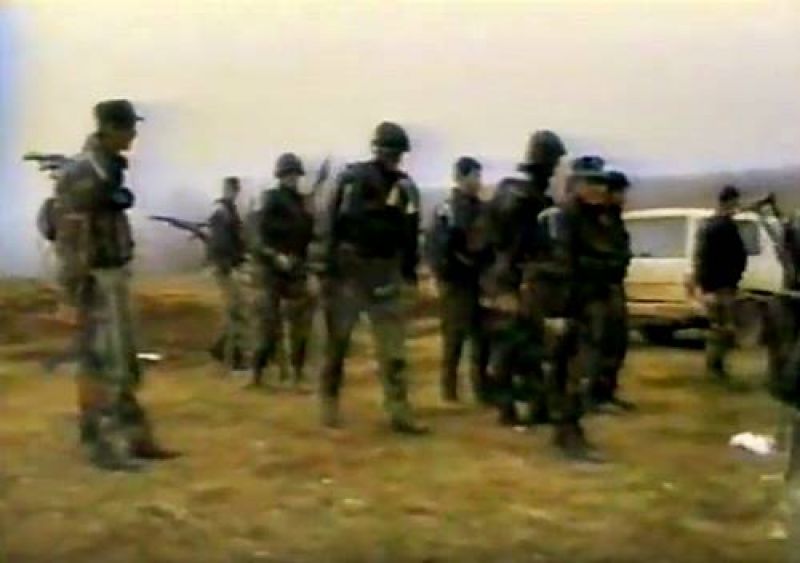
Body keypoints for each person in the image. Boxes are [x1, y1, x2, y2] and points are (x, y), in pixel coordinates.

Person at [54, 99, 176, 471]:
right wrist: (73, 291)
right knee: (100, 363)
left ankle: (135, 438)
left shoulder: (105, 168)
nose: (133, 134)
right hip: (94, 278)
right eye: (127, 127)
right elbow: (70, 235)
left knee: (122, 363)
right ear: (109, 128)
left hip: (112, 273)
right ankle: (101, 446)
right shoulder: (86, 171)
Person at [319, 121, 428, 434]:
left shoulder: (404, 187)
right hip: (349, 272)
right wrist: (327, 269)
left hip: (382, 271)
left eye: (396, 153)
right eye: (389, 151)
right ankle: (329, 404)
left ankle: (399, 412)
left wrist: (408, 272)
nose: (393, 158)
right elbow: (333, 225)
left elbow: (410, 234)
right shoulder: (353, 179)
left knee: (392, 349)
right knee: (337, 344)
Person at [537, 163, 624, 460]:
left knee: (580, 371)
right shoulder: (563, 219)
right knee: (565, 372)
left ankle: (569, 430)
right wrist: (557, 312)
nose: (599, 189)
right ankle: (567, 433)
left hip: (590, 301)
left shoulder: (599, 218)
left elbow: (616, 258)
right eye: (592, 183)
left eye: (601, 184)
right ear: (576, 185)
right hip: (567, 304)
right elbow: (559, 267)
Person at [480, 130, 566, 426]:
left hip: (512, 275)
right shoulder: (525, 197)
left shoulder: (514, 191)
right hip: (514, 277)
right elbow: (514, 241)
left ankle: (533, 406)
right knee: (512, 345)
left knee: (528, 344)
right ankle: (508, 409)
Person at [426, 157, 491, 404]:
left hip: (480, 280)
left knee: (482, 338)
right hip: (455, 282)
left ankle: (481, 388)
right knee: (454, 338)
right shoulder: (447, 210)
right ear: (460, 178)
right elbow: (436, 247)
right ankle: (449, 389)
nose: (478, 181)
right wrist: (443, 274)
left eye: (478, 176)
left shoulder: (483, 209)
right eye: (474, 176)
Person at [249, 153, 316, 390]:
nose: (293, 179)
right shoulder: (270, 199)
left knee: (301, 326)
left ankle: (296, 374)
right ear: (280, 176)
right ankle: (257, 374)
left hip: (295, 268)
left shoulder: (302, 204)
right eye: (289, 174)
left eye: (295, 175)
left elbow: (307, 238)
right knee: (268, 325)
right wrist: (274, 256)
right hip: (270, 270)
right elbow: (255, 237)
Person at [588, 170, 635, 411]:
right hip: (599, 288)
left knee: (617, 342)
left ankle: (608, 391)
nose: (623, 197)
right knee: (600, 342)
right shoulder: (597, 219)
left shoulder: (614, 220)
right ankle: (595, 394)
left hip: (614, 285)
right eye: (620, 192)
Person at [691, 185, 747, 380]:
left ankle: (716, 366)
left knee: (720, 328)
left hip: (718, 285)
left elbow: (701, 258)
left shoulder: (711, 226)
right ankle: (715, 367)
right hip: (721, 286)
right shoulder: (723, 227)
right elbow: (728, 257)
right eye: (735, 202)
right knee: (722, 328)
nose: (736, 206)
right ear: (729, 202)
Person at [207, 176, 248, 372]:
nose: (234, 193)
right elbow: (220, 244)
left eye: (235, 190)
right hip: (225, 268)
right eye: (232, 189)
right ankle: (232, 357)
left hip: (229, 266)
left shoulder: (230, 211)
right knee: (235, 311)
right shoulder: (222, 212)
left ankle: (221, 348)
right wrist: (230, 264)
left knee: (235, 310)